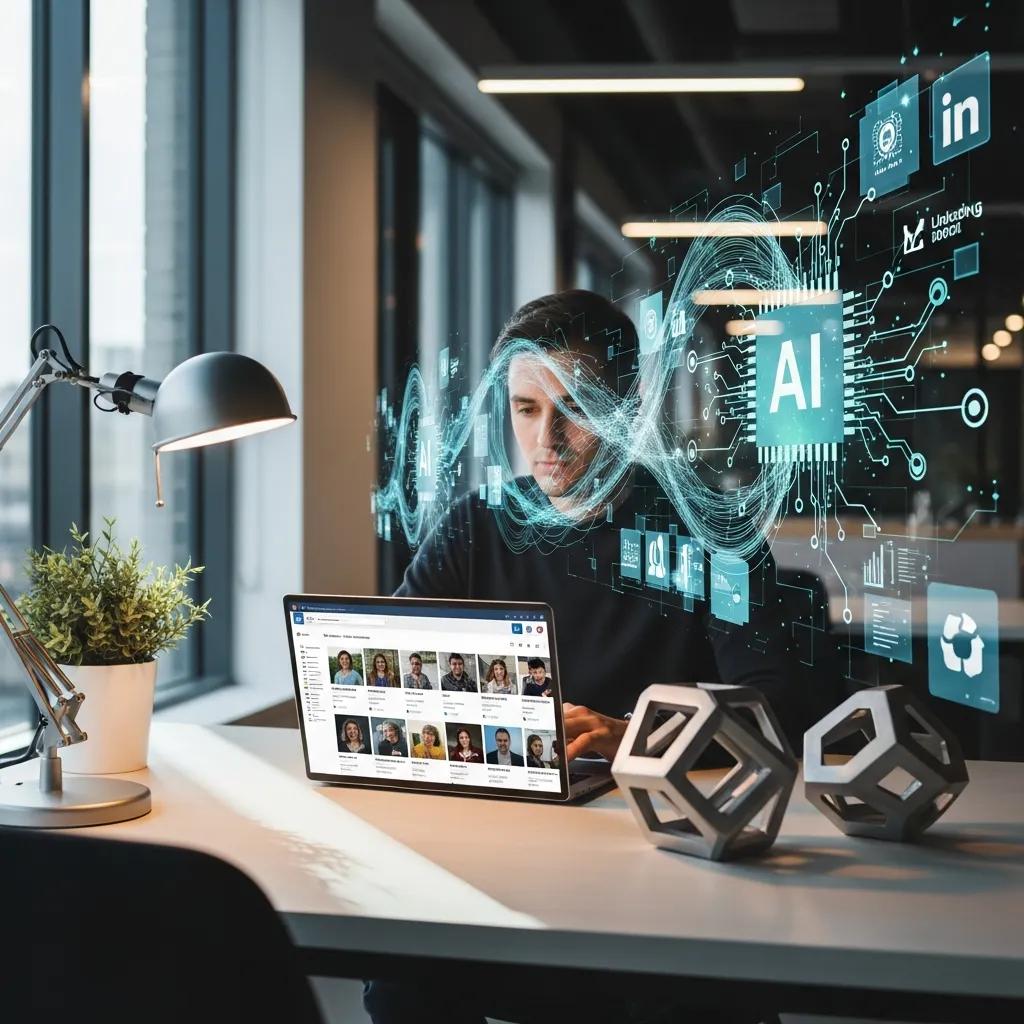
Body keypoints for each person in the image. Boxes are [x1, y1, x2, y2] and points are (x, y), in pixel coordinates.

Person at [367, 289, 839, 1023]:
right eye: (526, 410)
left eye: (576, 409)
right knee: (401, 978)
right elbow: (392, 664)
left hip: (663, 866)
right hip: (517, 851)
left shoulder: (709, 531)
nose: (547, 438)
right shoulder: (477, 526)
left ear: (630, 404)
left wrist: (634, 736)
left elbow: (776, 706)